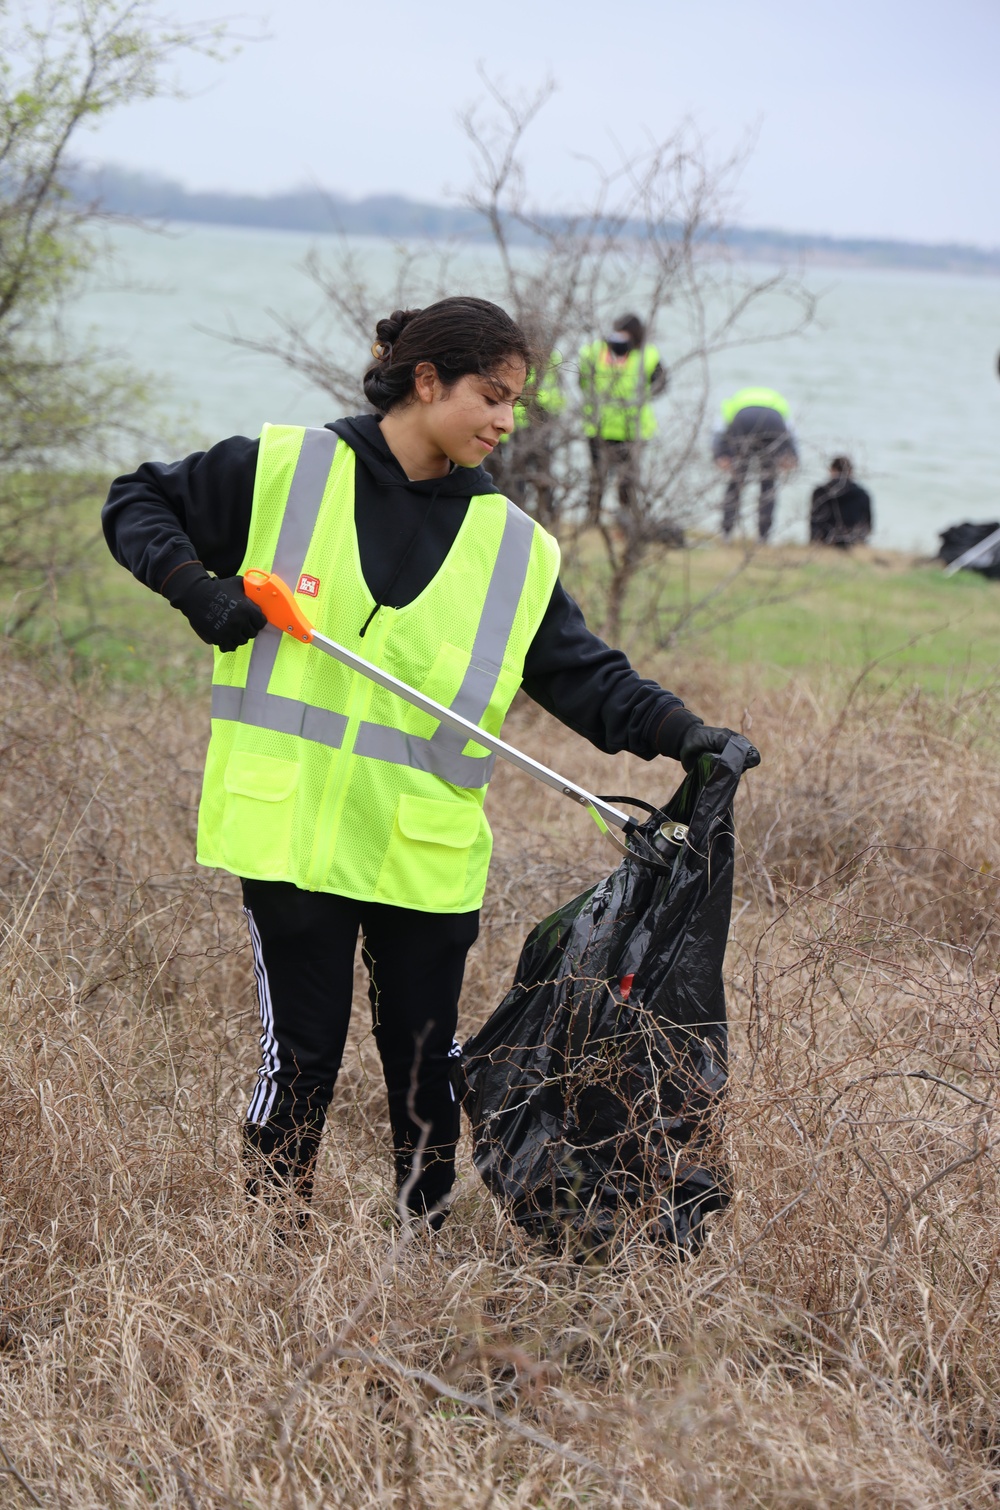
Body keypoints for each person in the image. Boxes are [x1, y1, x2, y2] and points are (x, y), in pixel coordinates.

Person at [102, 296, 751, 1233]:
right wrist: (199, 595)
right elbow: (138, 499)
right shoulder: (286, 468)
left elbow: (581, 674)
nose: (505, 420)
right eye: (492, 395)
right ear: (426, 380)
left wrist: (687, 734)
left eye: (516, 402)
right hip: (295, 831)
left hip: (424, 849)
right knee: (305, 1054)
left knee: (426, 1062)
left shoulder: (515, 548)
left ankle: (419, 1241)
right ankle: (273, 1246)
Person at [579, 315, 667, 525]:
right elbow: (582, 380)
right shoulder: (595, 351)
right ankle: (592, 521)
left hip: (631, 430)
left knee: (626, 482)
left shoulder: (647, 355)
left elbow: (661, 384)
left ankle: (625, 523)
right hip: (600, 427)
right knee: (598, 479)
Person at [483, 349, 565, 526]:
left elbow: (553, 395)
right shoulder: (514, 356)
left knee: (537, 473)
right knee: (511, 474)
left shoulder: (548, 359)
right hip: (519, 427)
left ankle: (544, 513)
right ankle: (513, 511)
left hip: (535, 426)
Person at [713, 387, 798, 541]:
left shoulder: (735, 400)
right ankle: (764, 536)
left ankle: (726, 532)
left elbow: (719, 429)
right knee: (768, 484)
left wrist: (720, 454)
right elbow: (791, 432)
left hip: (743, 420)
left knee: (737, 480)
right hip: (774, 422)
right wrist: (792, 455)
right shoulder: (778, 401)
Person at [809, 456, 873, 547]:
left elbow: (814, 522)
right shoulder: (863, 494)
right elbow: (868, 525)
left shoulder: (820, 492)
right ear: (850, 472)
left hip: (825, 542)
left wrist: (814, 544)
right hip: (854, 543)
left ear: (831, 470)